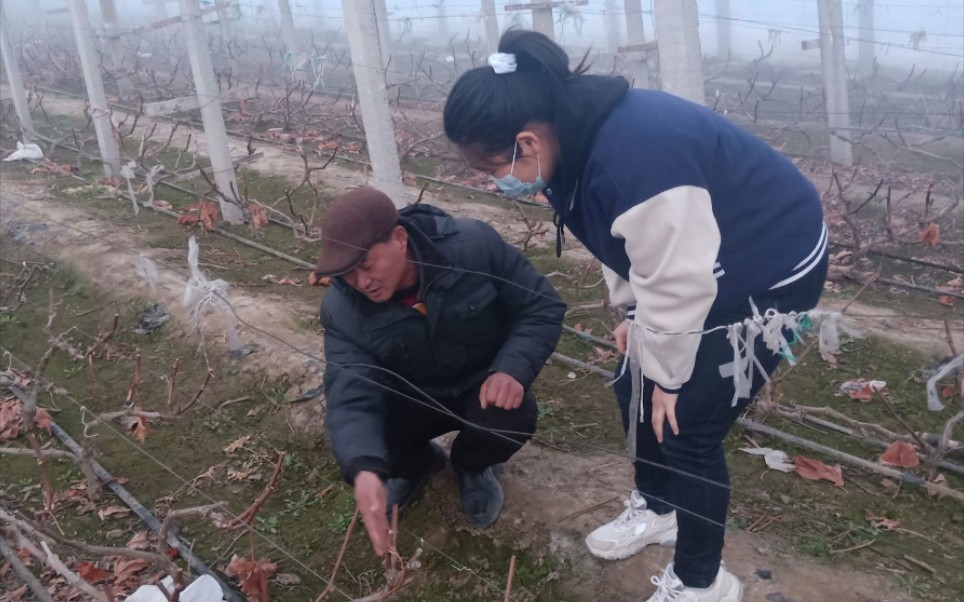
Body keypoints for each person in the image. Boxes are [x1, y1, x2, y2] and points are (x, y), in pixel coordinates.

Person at [443, 30, 827, 602]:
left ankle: (702, 583)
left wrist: (672, 376)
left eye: (489, 168)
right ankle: (660, 507)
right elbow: (619, 240)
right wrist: (632, 313)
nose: (488, 182)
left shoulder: (639, 156)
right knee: (631, 382)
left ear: (526, 141)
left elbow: (677, 277)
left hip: (770, 263)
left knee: (687, 423)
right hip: (703, 250)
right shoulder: (565, 141)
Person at [315, 188, 565, 557]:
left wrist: (511, 370)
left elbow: (540, 306)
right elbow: (351, 396)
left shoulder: (472, 247)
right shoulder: (343, 310)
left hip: (481, 384)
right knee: (371, 444)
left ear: (399, 239)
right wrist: (364, 469)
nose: (361, 283)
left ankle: (470, 466)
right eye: (347, 274)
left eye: (367, 266)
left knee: (509, 418)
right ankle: (419, 465)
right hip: (413, 398)